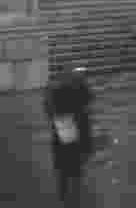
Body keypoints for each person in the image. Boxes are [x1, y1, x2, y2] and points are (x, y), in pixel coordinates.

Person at [44, 67, 94, 207]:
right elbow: (88, 101)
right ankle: (72, 197)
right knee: (75, 168)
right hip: (75, 133)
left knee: (63, 168)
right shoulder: (78, 92)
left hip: (62, 131)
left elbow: (48, 109)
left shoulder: (54, 91)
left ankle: (64, 194)